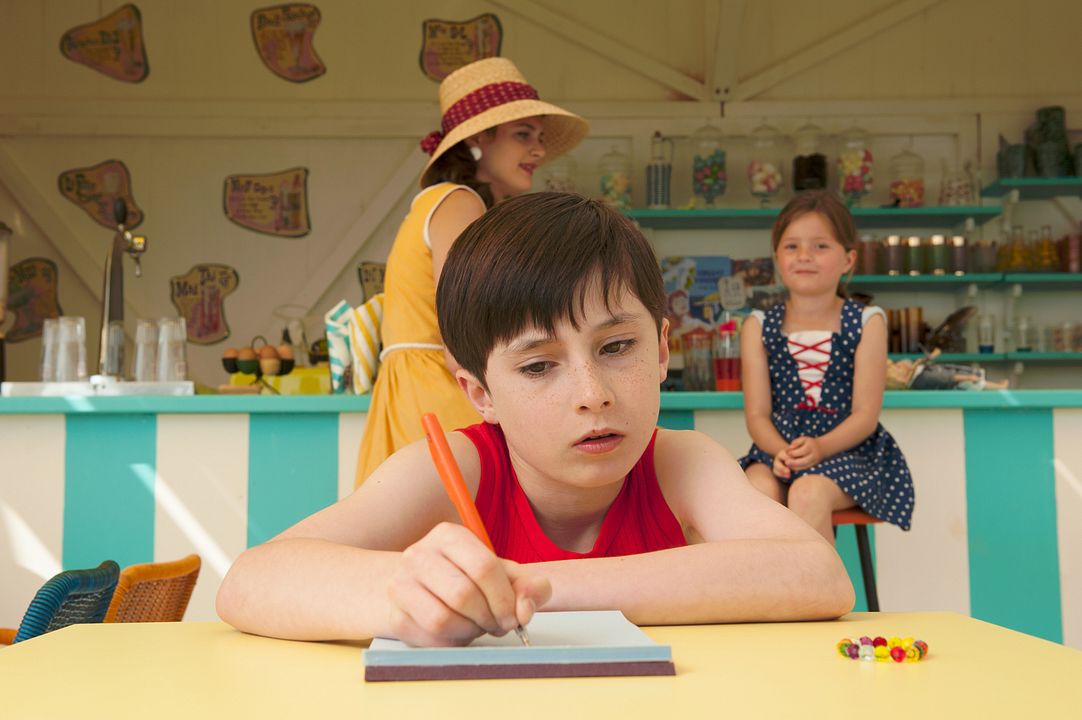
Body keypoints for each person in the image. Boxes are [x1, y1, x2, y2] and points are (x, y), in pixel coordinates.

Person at [218, 193, 854, 647]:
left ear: (661, 349)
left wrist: (530, 586)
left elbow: (818, 575)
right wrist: (406, 592)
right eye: (537, 366)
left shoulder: (680, 462)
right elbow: (251, 580)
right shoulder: (457, 469)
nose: (592, 394)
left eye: (616, 347)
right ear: (478, 391)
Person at [355, 57, 589, 486]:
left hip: (416, 387)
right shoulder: (459, 201)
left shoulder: (444, 200)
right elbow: (461, 327)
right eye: (523, 135)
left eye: (538, 136)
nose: (537, 149)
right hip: (439, 389)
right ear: (479, 139)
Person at [739, 190, 915, 542]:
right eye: (791, 247)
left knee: (807, 492)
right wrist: (781, 451)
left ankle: (818, 596)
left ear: (848, 259)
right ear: (776, 257)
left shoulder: (867, 321)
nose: (804, 256)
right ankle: (765, 596)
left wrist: (819, 448)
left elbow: (865, 415)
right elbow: (757, 415)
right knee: (753, 490)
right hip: (777, 450)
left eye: (821, 246)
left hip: (846, 452)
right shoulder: (758, 325)